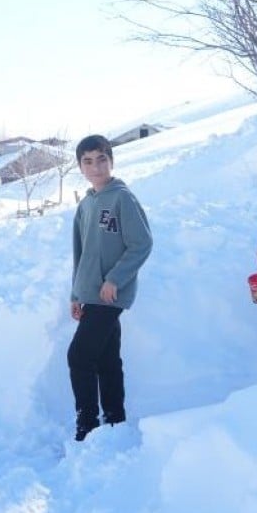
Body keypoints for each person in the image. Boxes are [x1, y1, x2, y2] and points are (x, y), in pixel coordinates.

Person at [68, 134, 153, 441]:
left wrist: (115, 279)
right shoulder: (86, 204)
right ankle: (115, 422)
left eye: (101, 159)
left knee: (78, 357)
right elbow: (80, 252)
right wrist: (76, 294)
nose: (95, 167)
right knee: (105, 359)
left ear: (111, 161)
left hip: (110, 294)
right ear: (80, 166)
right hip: (90, 295)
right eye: (88, 161)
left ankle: (86, 428)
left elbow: (141, 244)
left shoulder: (122, 198)